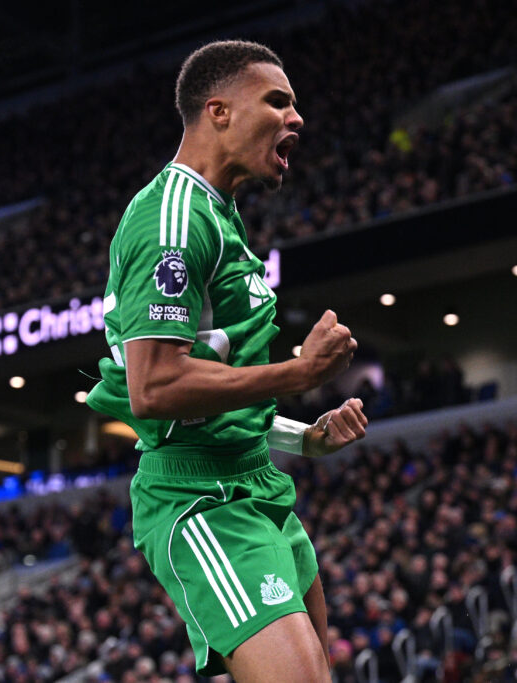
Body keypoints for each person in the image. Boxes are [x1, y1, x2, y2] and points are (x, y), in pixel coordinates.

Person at [85, 40, 368, 682]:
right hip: (199, 497)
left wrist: (304, 436)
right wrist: (299, 374)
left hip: (255, 481)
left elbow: (214, 385)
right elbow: (154, 387)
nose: (297, 119)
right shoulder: (172, 218)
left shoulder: (221, 214)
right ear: (218, 111)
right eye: (278, 101)